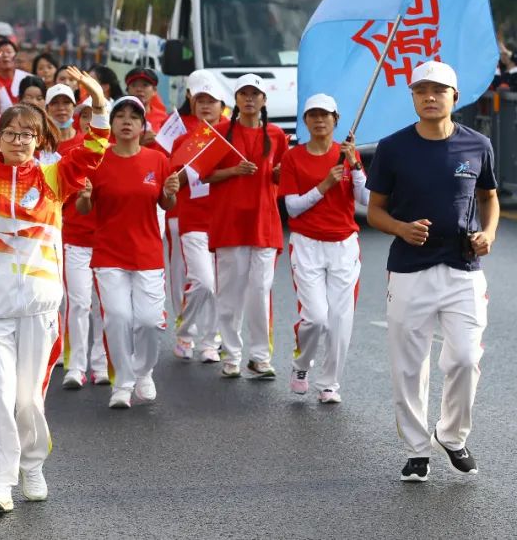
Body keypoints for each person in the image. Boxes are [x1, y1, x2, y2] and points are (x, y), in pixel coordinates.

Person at [0, 69, 109, 513]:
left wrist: (94, 97)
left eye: (27, 135)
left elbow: (94, 149)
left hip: (39, 307)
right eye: (10, 133)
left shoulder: (54, 180)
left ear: (39, 142)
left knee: (28, 398)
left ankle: (32, 464)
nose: (18, 141)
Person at [366, 60, 497, 483]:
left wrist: (489, 233)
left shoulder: (477, 144)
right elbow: (374, 211)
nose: (430, 97)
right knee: (409, 365)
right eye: (421, 90)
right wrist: (401, 228)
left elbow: (489, 196)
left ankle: (452, 435)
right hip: (409, 270)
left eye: (438, 90)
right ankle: (416, 449)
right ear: (413, 97)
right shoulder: (393, 147)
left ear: (454, 97)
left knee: (463, 358)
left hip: (463, 267)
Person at [79, 96, 178, 408]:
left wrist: (170, 194)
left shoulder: (157, 161)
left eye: (133, 117)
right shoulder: (98, 161)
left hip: (147, 252)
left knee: (149, 321)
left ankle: (144, 371)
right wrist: (84, 195)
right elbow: (84, 209)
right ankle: (122, 382)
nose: (125, 121)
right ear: (111, 125)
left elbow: (165, 204)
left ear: (142, 126)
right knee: (118, 318)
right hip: (109, 252)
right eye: (119, 116)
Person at [278, 93, 367, 403]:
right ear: (305, 121)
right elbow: (292, 209)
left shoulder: (347, 155)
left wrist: (355, 167)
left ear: (336, 120)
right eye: (313, 115)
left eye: (325, 115)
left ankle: (330, 383)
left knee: (341, 320)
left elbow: (367, 199)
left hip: (344, 244)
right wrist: (323, 187)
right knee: (316, 318)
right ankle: (301, 366)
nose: (319, 120)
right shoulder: (293, 158)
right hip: (307, 244)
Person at [206, 74, 288, 379]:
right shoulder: (221, 132)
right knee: (230, 293)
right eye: (244, 94)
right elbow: (205, 175)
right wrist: (233, 170)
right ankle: (231, 355)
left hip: (264, 223)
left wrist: (279, 173)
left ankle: (259, 356)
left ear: (264, 100)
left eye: (255, 94)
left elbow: (282, 177)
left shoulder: (277, 135)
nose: (250, 99)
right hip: (230, 222)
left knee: (259, 290)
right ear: (236, 100)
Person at [47, 85, 108, 389]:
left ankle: (101, 363)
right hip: (74, 237)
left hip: (109, 240)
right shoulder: (68, 156)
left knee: (104, 305)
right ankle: (75, 365)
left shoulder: (114, 155)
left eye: (92, 115)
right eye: (83, 116)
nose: (87, 121)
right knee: (78, 302)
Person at [169, 71, 228, 364]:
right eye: (201, 101)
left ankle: (210, 339)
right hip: (193, 219)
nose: (206, 106)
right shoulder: (183, 139)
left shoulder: (232, 135)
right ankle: (185, 330)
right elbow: (174, 179)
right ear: (192, 104)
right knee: (203, 281)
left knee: (220, 284)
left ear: (222, 105)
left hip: (224, 219)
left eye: (212, 101)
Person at [124, 67, 169, 146]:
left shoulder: (164, 118)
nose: (139, 89)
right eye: (134, 85)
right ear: (127, 90)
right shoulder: (118, 117)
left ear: (154, 90)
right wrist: (137, 143)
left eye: (145, 85)